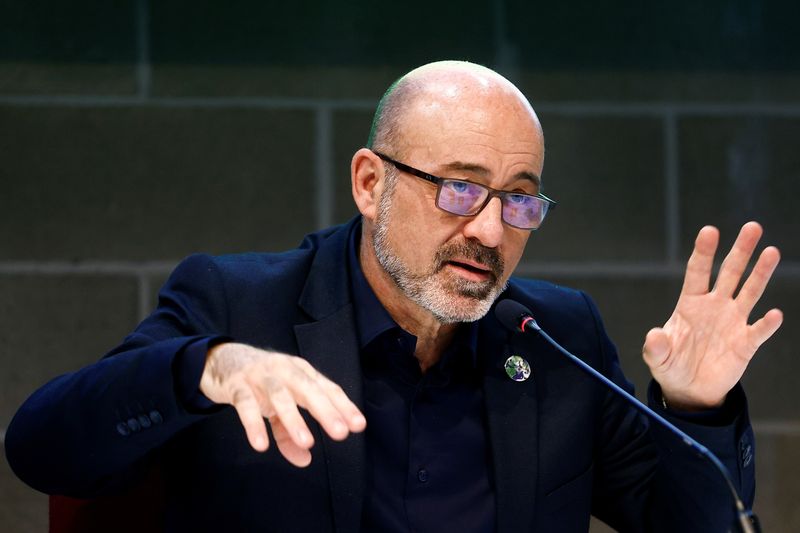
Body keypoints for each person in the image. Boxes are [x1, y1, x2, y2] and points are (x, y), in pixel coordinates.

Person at [5, 61, 783, 532]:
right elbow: (43, 449)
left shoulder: (554, 335)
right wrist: (203, 368)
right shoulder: (239, 306)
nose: (489, 230)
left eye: (519, 198)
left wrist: (697, 411)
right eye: (458, 188)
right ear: (371, 183)